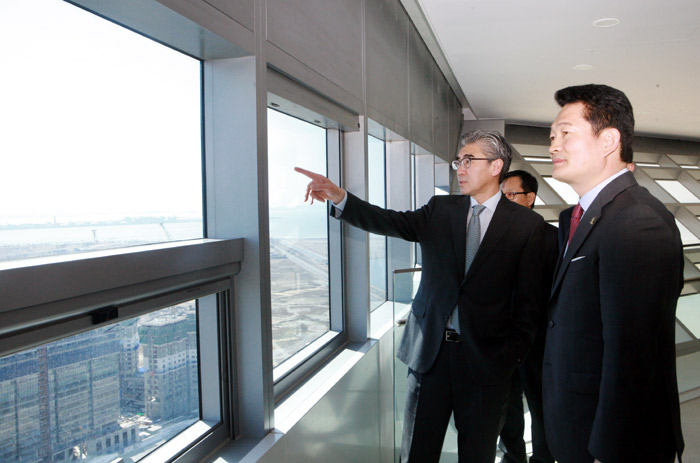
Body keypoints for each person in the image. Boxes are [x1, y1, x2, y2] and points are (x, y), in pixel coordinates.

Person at [296, 129, 547, 463]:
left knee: (478, 454)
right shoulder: (441, 209)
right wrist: (341, 197)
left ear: (496, 165)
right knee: (416, 453)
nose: (460, 167)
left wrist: (509, 356)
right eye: (460, 160)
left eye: (469, 160)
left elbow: (530, 304)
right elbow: (391, 222)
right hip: (430, 356)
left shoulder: (528, 226)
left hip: (487, 364)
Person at [543, 84, 685, 463]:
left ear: (609, 140)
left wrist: (609, 452)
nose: (553, 145)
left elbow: (633, 355)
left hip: (609, 441)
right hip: (576, 427)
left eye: (566, 134)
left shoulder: (637, 221)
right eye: (552, 136)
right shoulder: (578, 217)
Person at [498, 170, 557, 463]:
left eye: (512, 195)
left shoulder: (554, 239)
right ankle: (513, 458)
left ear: (530, 198)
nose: (505, 201)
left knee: (541, 406)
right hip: (502, 340)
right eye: (502, 195)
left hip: (539, 343)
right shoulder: (494, 237)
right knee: (505, 409)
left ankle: (543, 459)